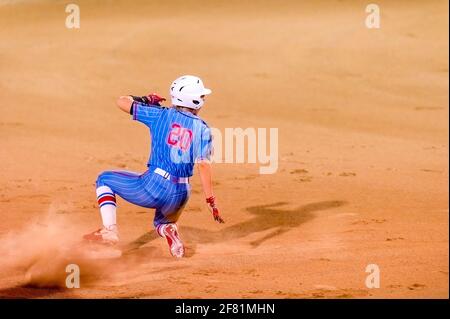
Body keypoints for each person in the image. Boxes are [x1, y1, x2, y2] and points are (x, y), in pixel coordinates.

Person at [83, 75, 224, 258]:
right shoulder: (203, 128)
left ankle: (109, 230)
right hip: (181, 193)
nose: (203, 99)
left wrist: (145, 100)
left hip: (154, 186)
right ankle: (169, 230)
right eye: (202, 96)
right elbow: (203, 164)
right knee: (162, 222)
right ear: (194, 100)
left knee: (104, 179)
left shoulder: (160, 115)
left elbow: (121, 102)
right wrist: (210, 199)